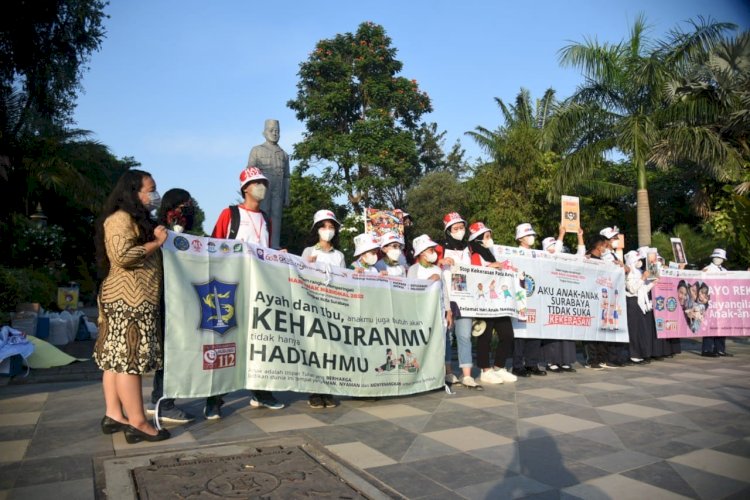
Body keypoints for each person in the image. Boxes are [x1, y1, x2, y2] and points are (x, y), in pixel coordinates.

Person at [93, 169, 170, 444]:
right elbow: (123, 256)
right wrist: (156, 243)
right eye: (150, 188)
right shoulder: (119, 219)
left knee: (116, 360)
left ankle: (114, 414)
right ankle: (138, 421)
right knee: (130, 361)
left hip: (127, 299)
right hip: (129, 301)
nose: (154, 194)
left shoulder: (131, 218)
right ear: (133, 191)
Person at [210, 166, 285, 417]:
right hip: (231, 287)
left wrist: (278, 256)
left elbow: (265, 252)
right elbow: (214, 246)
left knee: (259, 342)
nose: (262, 187)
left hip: (259, 289)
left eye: (263, 182)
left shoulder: (266, 219)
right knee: (225, 340)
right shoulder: (229, 214)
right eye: (257, 183)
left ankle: (260, 391)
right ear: (245, 188)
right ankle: (214, 398)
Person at [145, 189, 198, 424]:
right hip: (163, 298)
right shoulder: (155, 232)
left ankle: (161, 398)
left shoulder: (188, 235)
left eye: (188, 204)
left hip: (182, 299)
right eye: (182, 204)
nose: (186, 208)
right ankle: (164, 402)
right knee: (169, 351)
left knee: (176, 350)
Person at [301, 210, 345, 408]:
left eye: (331, 226)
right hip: (313, 305)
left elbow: (345, 279)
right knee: (315, 348)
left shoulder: (339, 255)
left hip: (334, 306)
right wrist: (307, 265)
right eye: (324, 226)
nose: (328, 230)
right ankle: (314, 390)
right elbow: (300, 276)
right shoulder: (309, 251)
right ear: (316, 229)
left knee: (331, 349)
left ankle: (327, 389)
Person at [468, 222, 517, 384]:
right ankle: (485, 370)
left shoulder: (491, 253)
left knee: (507, 334)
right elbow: (475, 274)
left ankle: (499, 366)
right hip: (484, 304)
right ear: (479, 239)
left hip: (498, 303)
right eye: (487, 237)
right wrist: (491, 266)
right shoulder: (476, 255)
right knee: (485, 337)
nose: (490, 239)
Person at [437, 213, 481, 388]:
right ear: (448, 230)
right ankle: (448, 372)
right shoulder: (440, 247)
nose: (459, 231)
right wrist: (440, 261)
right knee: (448, 336)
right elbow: (428, 263)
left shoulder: (469, 248)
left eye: (461, 227)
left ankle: (467, 374)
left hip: (466, 298)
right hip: (447, 297)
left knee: (464, 335)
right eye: (455, 229)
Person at [407, 234, 455, 385]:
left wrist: (448, 310)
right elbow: (411, 291)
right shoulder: (413, 269)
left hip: (439, 312)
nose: (433, 252)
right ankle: (422, 373)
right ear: (421, 253)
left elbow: (444, 291)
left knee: (444, 340)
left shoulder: (437, 269)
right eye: (430, 249)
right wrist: (429, 281)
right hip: (421, 313)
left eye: (433, 249)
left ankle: (445, 372)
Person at [541, 225, 585, 372]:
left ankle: (566, 360)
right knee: (552, 331)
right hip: (550, 299)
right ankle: (551, 361)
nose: (555, 249)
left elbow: (580, 257)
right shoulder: (544, 258)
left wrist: (580, 236)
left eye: (556, 245)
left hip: (565, 299)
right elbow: (554, 254)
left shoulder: (564, 259)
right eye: (552, 247)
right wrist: (561, 234)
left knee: (567, 329)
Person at [247, 119, 290, 249]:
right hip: (262, 186)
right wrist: (250, 192)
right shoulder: (257, 150)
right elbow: (250, 172)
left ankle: (274, 244)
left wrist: (287, 195)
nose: (275, 133)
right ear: (264, 132)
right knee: (262, 212)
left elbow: (287, 176)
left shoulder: (284, 154)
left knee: (276, 216)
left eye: (277, 131)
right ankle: (261, 242)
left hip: (279, 186)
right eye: (271, 130)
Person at [512, 223, 546, 377]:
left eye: (532, 235)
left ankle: (532, 363)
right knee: (520, 332)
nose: (532, 238)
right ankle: (517, 365)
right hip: (521, 297)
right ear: (520, 238)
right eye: (528, 235)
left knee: (535, 332)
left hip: (536, 297)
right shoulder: (514, 254)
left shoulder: (538, 255)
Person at [624, 249, 654, 364]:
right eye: (637, 259)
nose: (640, 261)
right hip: (632, 302)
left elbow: (643, 290)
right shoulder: (629, 273)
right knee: (634, 330)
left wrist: (653, 283)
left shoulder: (640, 271)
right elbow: (632, 289)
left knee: (641, 329)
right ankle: (634, 355)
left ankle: (641, 353)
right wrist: (643, 279)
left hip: (641, 302)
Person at [701, 248, 731, 357]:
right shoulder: (706, 269)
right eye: (716, 257)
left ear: (723, 260)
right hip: (710, 302)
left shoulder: (725, 271)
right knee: (709, 324)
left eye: (720, 258)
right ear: (712, 257)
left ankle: (720, 349)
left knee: (721, 325)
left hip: (722, 303)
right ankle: (707, 349)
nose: (718, 259)